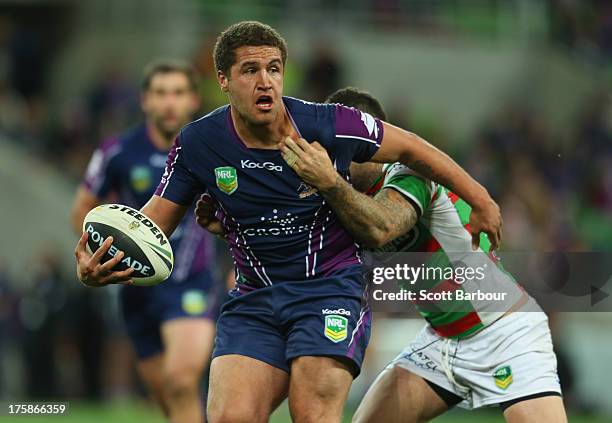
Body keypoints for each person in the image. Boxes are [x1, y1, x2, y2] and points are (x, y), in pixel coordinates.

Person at [74, 21, 502, 423]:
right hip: (254, 298)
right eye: (250, 70)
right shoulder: (197, 144)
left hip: (327, 290)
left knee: (312, 413)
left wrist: (479, 198)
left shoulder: (326, 124)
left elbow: (412, 147)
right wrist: (103, 259)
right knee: (230, 418)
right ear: (222, 79)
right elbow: (151, 226)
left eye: (274, 69)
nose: (265, 81)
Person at [271, 86, 566, 423]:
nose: (332, 154)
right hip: (441, 341)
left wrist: (328, 184)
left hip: (504, 332)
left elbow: (381, 226)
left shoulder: (409, 174)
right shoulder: (342, 193)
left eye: (341, 144)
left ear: (369, 142)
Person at [71, 60, 222, 423]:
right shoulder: (118, 152)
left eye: (178, 93)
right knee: (167, 400)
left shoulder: (212, 151)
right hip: (135, 287)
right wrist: (93, 253)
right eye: (160, 93)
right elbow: (83, 210)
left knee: (181, 381)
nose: (169, 102)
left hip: (193, 281)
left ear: (193, 100)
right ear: (145, 101)